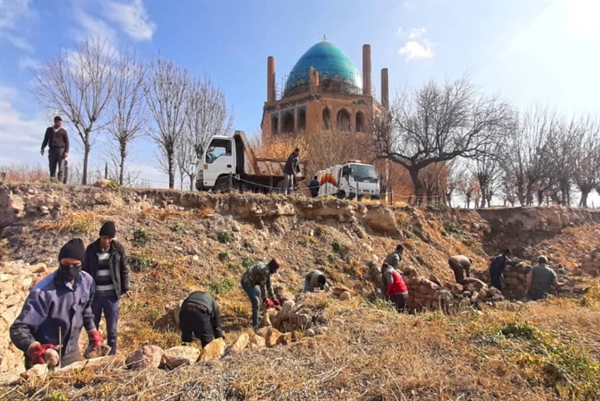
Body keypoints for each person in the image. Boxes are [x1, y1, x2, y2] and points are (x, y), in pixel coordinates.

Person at [10, 239, 103, 369]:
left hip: (71, 353)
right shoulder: (43, 292)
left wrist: (92, 331)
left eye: (75, 264)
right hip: (45, 358)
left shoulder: (87, 282)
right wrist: (35, 348)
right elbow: (18, 328)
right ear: (59, 262)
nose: (70, 269)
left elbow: (85, 307)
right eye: (66, 264)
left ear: (82, 264)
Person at [83, 222, 131, 355]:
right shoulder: (91, 250)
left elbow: (123, 270)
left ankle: (111, 356)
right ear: (100, 237)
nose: (107, 241)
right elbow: (85, 271)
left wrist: (126, 288)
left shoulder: (118, 249)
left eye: (110, 238)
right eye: (105, 238)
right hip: (95, 296)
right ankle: (94, 353)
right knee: (93, 326)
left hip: (111, 295)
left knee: (112, 330)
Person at [241, 259, 281, 331]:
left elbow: (269, 284)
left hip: (253, 282)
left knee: (258, 294)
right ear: (272, 267)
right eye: (275, 269)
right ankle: (255, 326)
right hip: (246, 282)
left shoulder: (267, 269)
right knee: (255, 301)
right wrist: (266, 299)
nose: (275, 271)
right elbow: (263, 286)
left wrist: (273, 297)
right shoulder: (265, 271)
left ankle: (255, 314)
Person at [41, 116, 69, 181]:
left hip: (61, 150)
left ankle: (60, 182)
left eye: (60, 123)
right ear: (55, 122)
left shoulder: (63, 131)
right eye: (58, 122)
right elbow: (45, 139)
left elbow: (67, 142)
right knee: (52, 167)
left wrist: (66, 151)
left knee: (61, 167)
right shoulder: (49, 130)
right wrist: (42, 148)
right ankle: (53, 181)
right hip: (52, 150)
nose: (60, 124)